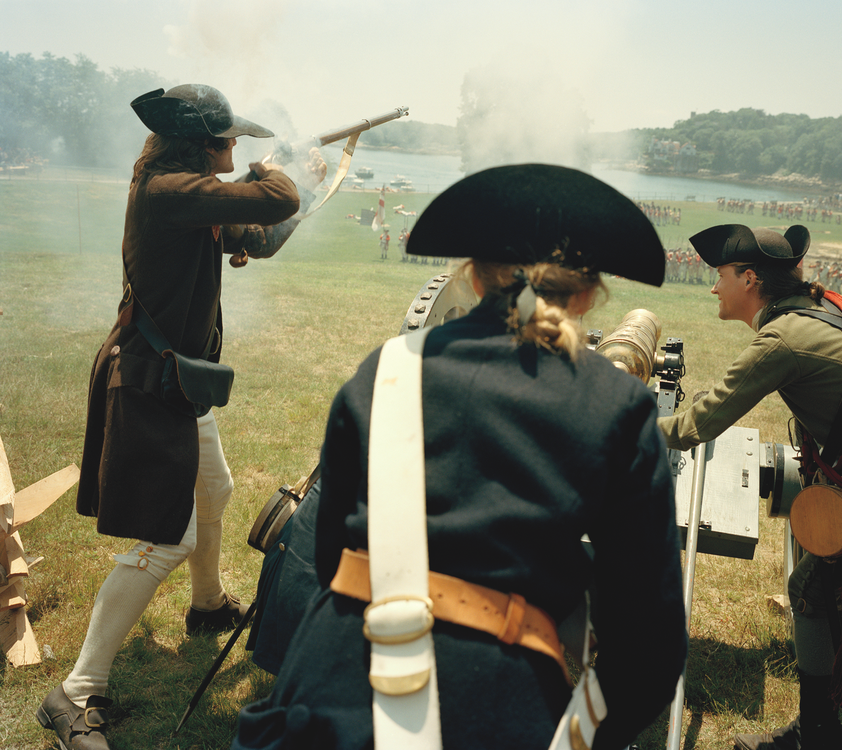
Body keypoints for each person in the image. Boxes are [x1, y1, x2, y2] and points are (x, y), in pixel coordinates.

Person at [231, 164, 687, 749]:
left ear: (471, 275)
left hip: (326, 686)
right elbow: (648, 650)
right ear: (587, 293)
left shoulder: (384, 370)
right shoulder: (617, 405)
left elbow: (330, 557)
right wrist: (575, 738)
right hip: (495, 703)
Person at [36, 83, 326, 750]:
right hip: (147, 384)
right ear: (202, 146)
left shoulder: (190, 194)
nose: (237, 147)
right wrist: (280, 171)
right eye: (230, 140)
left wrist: (305, 183)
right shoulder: (169, 190)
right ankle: (75, 691)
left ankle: (207, 605)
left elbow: (266, 232)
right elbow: (275, 196)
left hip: (174, 383)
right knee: (168, 538)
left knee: (215, 490)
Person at [659, 224, 842, 750]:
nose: (713, 287)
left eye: (721, 275)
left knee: (812, 592)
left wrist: (623, 424)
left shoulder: (781, 340)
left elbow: (698, 423)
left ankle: (818, 736)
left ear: (750, 278)